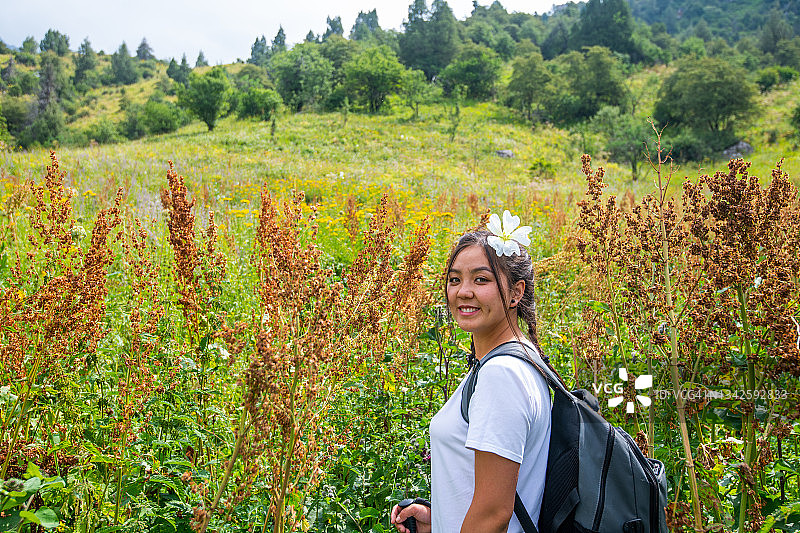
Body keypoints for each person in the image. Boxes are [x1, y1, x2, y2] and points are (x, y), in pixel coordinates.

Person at [390, 211, 552, 533]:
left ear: (516, 293)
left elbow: (493, 515)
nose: (464, 291)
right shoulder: (517, 360)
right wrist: (439, 521)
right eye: (455, 279)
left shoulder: (502, 375)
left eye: (481, 279)